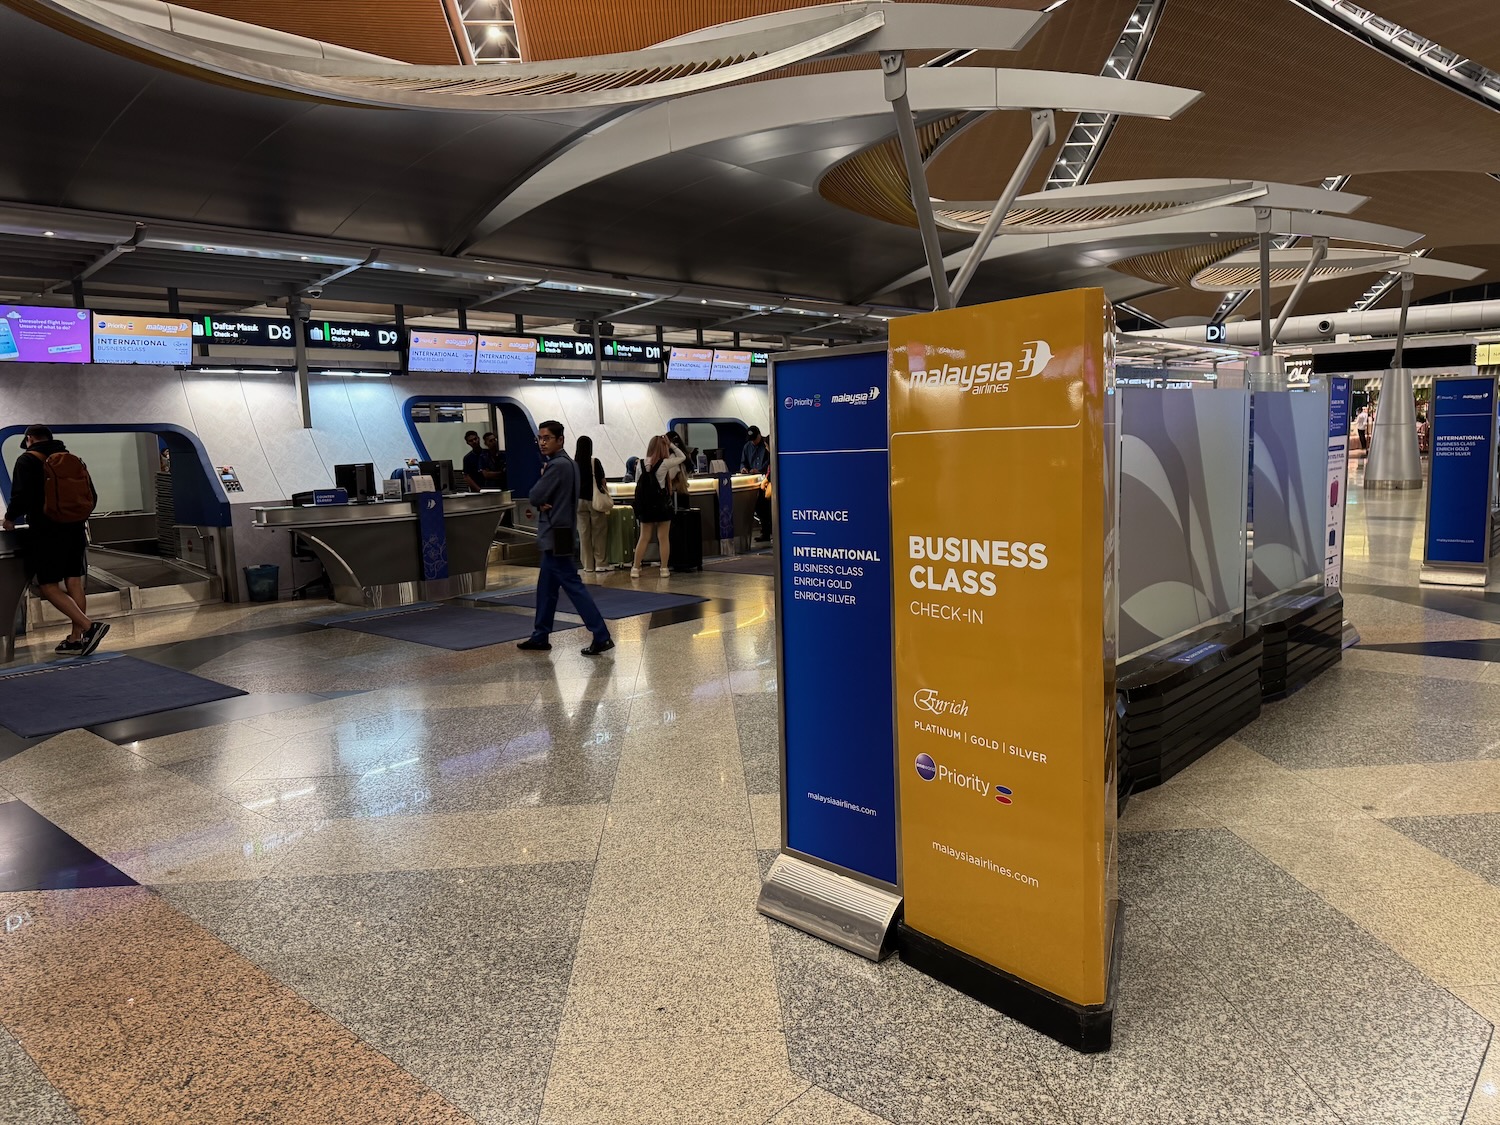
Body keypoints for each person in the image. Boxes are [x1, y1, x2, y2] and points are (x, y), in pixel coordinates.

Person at [2, 425, 108, 655]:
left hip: (47, 532)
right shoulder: (72, 458)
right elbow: (92, 496)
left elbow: (21, 496)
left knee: (49, 586)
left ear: (29, 439)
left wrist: (9, 518)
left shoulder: (27, 460)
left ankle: (90, 628)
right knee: (74, 583)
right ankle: (75, 639)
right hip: (76, 529)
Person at [517, 421, 614, 656]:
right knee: (546, 589)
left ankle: (601, 635)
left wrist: (540, 498)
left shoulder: (557, 466)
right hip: (561, 532)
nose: (542, 442)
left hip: (555, 534)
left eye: (547, 438)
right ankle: (540, 635)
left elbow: (535, 494)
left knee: (573, 587)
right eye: (540, 438)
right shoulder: (569, 464)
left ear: (560, 440)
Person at [631, 434, 683, 579]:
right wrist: (671, 444)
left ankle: (635, 568)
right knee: (663, 538)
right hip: (661, 506)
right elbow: (682, 457)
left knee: (644, 537)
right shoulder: (664, 463)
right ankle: (664, 569)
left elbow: (638, 484)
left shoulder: (640, 464)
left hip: (646, 507)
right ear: (662, 447)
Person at [575, 434, 612, 574]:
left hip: (578, 502)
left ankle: (587, 565)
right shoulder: (594, 462)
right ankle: (600, 564)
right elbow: (603, 481)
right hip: (594, 501)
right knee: (599, 533)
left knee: (584, 534)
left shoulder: (574, 464)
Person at [740, 426, 773, 542]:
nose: (753, 441)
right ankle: (765, 531)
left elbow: (770, 462)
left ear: (759, 435)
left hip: (765, 480)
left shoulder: (766, 444)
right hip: (753, 481)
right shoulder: (747, 447)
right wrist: (744, 468)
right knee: (759, 508)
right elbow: (743, 462)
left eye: (755, 438)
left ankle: (769, 531)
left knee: (767, 507)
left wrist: (760, 470)